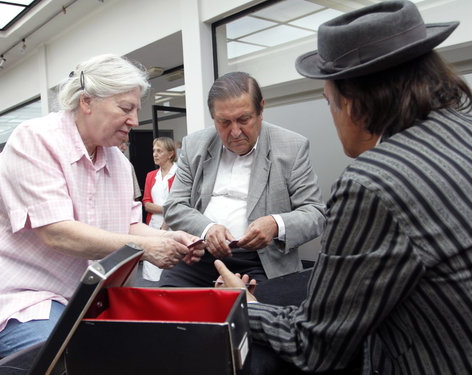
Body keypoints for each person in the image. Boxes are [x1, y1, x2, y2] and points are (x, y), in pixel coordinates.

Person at [214, 1, 472, 374]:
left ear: (351, 104)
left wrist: (243, 304)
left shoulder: (371, 182)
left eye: (328, 103)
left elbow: (316, 345)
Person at [0, 54, 205, 358]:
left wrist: (170, 239)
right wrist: (145, 249)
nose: (134, 120)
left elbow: (128, 225)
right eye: (125, 108)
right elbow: (57, 233)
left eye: (136, 110)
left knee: (151, 348)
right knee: (76, 358)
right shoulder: (35, 140)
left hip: (86, 295)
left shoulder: (116, 160)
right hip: (23, 297)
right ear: (87, 102)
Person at [160, 71, 326, 287]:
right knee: (166, 302)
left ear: (261, 110)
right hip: (201, 255)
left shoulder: (291, 147)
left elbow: (315, 213)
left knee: (257, 315)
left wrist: (276, 224)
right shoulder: (195, 145)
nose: (235, 131)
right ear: (213, 118)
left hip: (262, 261)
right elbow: (174, 206)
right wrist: (207, 229)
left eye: (243, 119)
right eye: (224, 122)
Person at [142, 136, 178, 281]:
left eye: (159, 151)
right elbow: (146, 204)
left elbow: (179, 204)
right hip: (153, 226)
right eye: (154, 151)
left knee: (173, 271)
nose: (155, 154)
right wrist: (168, 208)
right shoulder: (151, 176)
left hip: (174, 226)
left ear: (170, 154)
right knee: (152, 273)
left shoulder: (180, 174)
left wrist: (166, 223)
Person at [119, 134, 141, 200]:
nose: (124, 147)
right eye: (122, 142)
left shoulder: (128, 165)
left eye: (126, 144)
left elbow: (136, 197)